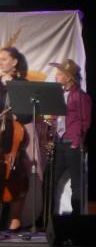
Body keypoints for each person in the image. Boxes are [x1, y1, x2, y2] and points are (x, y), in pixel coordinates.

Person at [0, 46, 31, 232]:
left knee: (17, 176)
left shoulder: (22, 84)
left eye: (4, 59)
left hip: (14, 135)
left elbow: (28, 115)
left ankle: (15, 217)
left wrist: (16, 116)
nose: (1, 62)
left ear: (14, 62)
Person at [50, 59, 92, 215]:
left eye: (60, 74)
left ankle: (76, 219)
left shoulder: (81, 97)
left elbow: (85, 121)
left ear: (69, 77)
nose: (56, 76)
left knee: (76, 183)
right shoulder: (58, 95)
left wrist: (76, 142)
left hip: (72, 144)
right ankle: (47, 217)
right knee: (51, 180)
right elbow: (56, 117)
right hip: (59, 143)